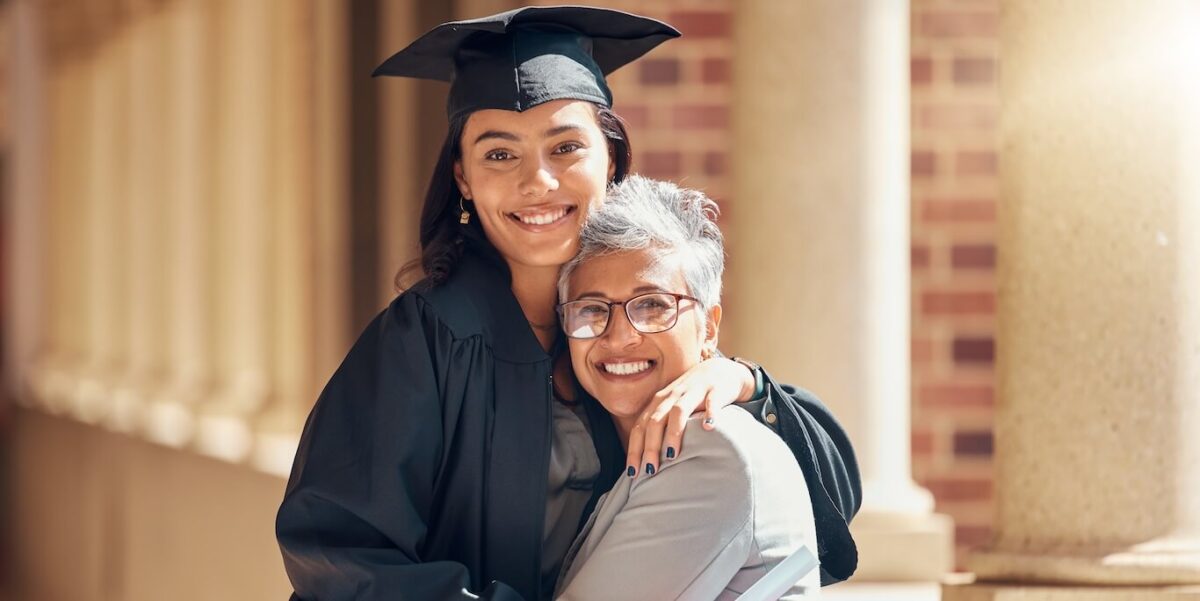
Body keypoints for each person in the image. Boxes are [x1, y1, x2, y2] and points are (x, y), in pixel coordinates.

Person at [276, 7, 859, 601]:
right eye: (499, 155)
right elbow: (336, 550)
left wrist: (741, 381)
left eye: (565, 148)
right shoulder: (427, 338)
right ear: (463, 179)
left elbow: (822, 493)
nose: (539, 183)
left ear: (612, 160)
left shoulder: (628, 323)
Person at [554, 176, 819, 600]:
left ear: (709, 325)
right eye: (591, 308)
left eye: (653, 305)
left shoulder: (712, 449)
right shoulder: (601, 450)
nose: (619, 337)